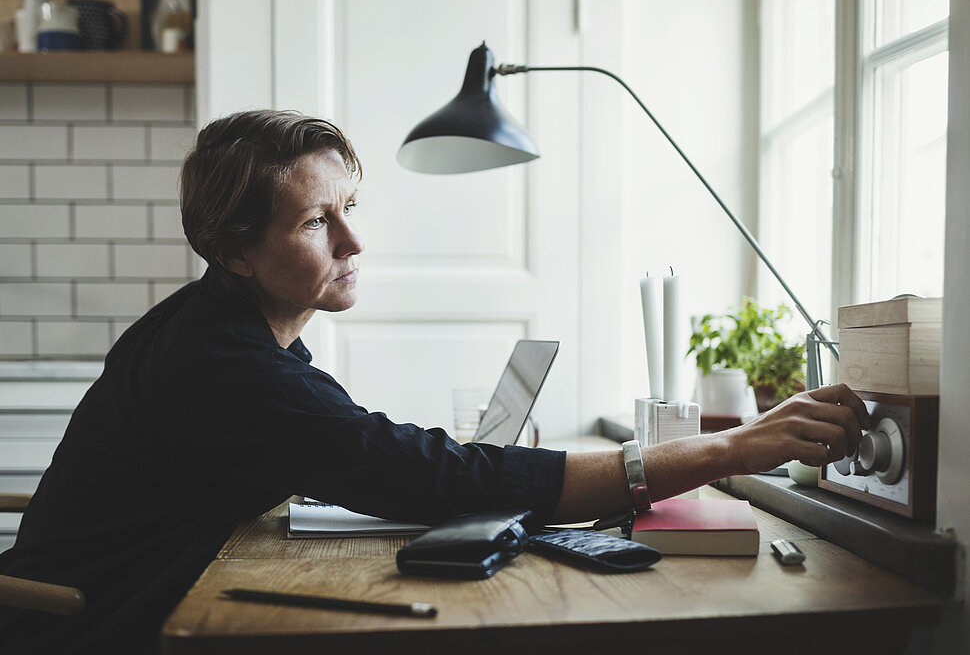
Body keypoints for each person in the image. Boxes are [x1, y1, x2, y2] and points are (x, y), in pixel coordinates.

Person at [0, 110, 869, 654]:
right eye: (315, 219)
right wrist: (725, 449)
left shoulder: (232, 332)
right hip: (81, 624)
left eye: (350, 207)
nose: (353, 241)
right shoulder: (226, 367)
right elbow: (428, 474)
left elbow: (379, 454)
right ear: (234, 251)